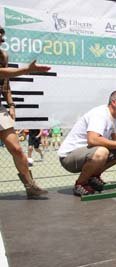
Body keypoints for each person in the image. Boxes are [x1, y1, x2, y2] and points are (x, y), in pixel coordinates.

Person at [58, 90, 116, 196]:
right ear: (114, 102)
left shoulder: (115, 117)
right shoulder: (100, 114)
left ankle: (93, 176)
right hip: (69, 157)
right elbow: (93, 140)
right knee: (102, 151)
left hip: (87, 154)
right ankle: (80, 184)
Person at [0, 25, 48, 198]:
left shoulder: (2, 55)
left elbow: (5, 82)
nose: (1, 41)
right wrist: (27, 69)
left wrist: (11, 104)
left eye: (2, 39)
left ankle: (30, 186)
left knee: (17, 150)